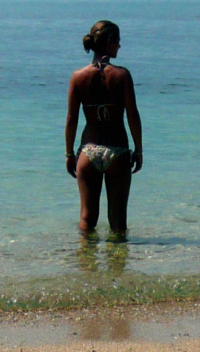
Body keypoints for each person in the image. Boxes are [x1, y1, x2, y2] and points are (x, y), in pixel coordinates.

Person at [65, 19, 143, 236]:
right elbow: (132, 115)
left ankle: (85, 265)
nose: (119, 46)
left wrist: (69, 153)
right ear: (108, 41)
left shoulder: (78, 77)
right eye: (117, 41)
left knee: (87, 219)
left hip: (88, 152)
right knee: (118, 223)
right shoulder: (122, 75)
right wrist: (138, 150)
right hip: (117, 151)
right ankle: (118, 267)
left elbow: (71, 119)